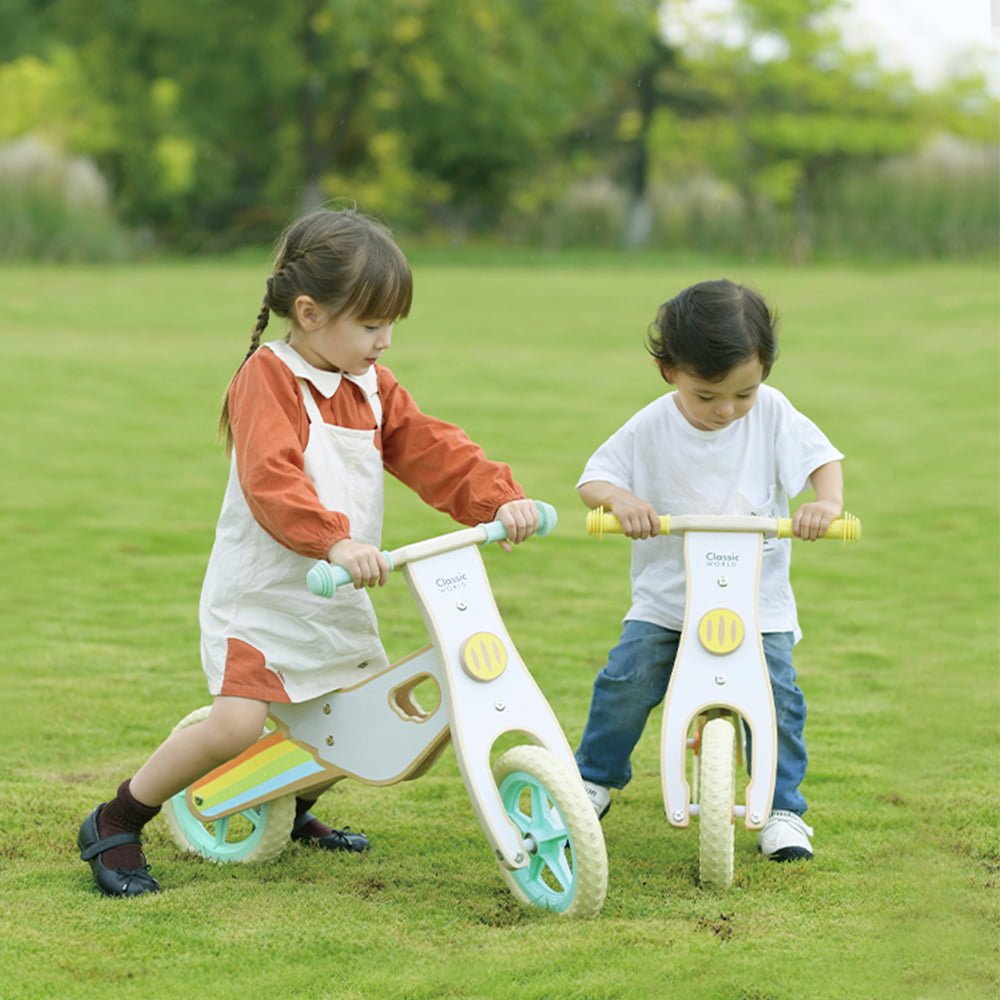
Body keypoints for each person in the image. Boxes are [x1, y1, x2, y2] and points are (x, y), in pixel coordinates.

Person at [78, 208, 540, 897]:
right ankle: (117, 819)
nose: (385, 342)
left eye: (392, 327)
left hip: (335, 588)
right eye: (372, 325)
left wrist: (496, 497)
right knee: (236, 724)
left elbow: (429, 447)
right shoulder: (269, 378)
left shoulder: (372, 386)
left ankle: (292, 807)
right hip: (265, 594)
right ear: (310, 312)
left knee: (355, 720)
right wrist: (337, 539)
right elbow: (272, 478)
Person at [574, 278, 843, 862]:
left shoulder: (771, 414)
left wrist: (826, 504)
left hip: (757, 601)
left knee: (779, 698)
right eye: (707, 396)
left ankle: (782, 809)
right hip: (669, 599)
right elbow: (594, 477)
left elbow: (822, 458)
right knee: (627, 680)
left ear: (764, 372)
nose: (727, 410)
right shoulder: (650, 426)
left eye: (743, 394)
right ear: (668, 370)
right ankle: (593, 777)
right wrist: (620, 501)